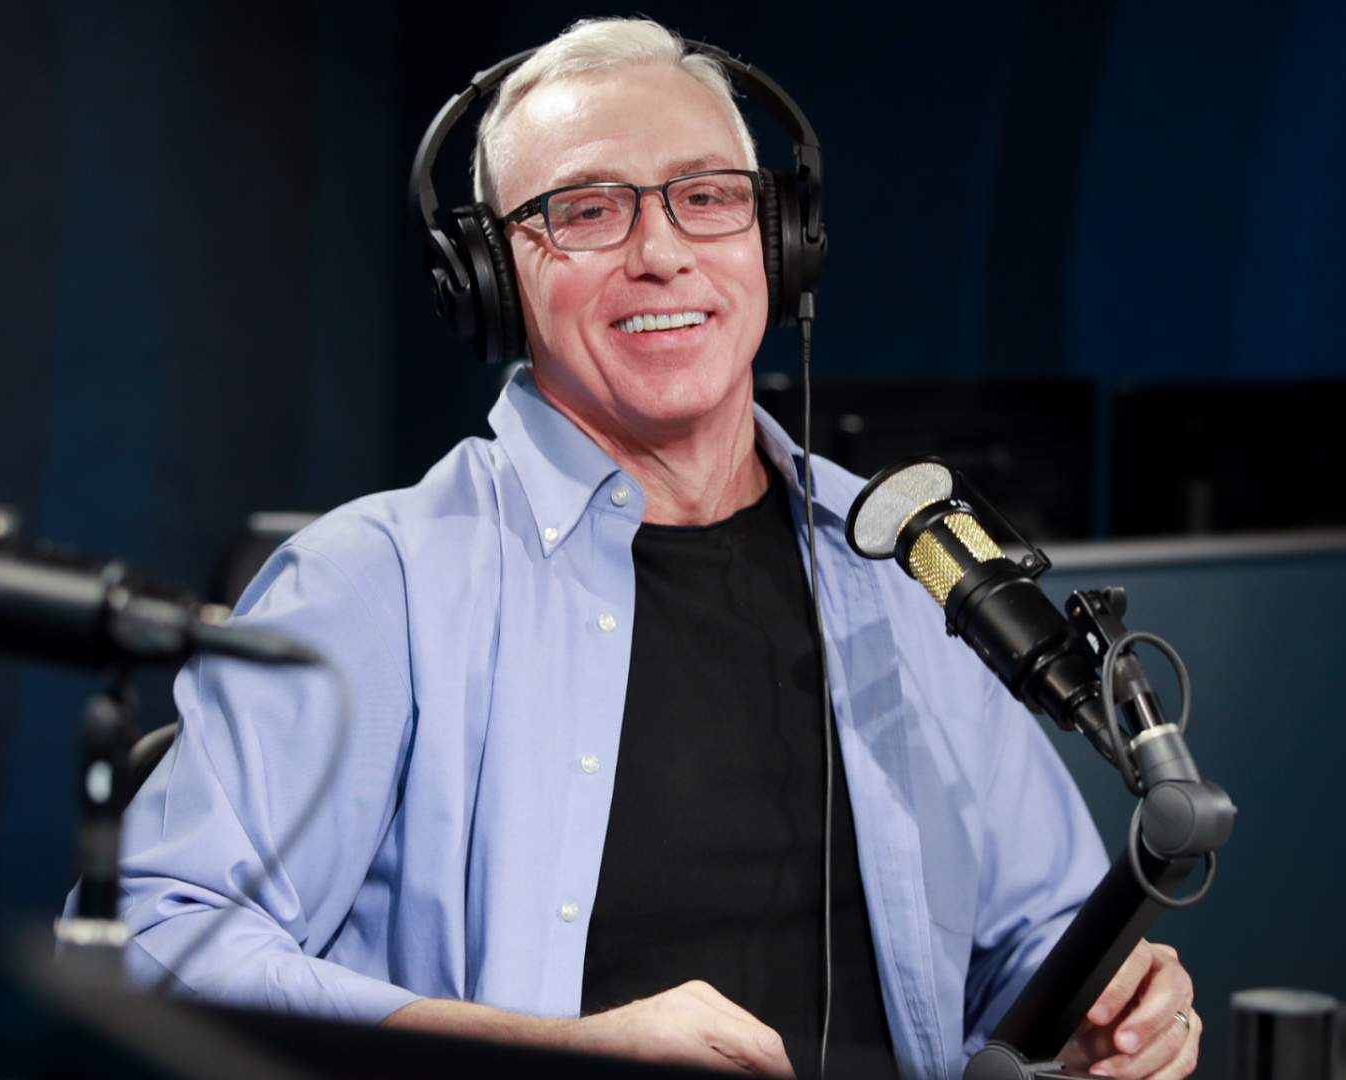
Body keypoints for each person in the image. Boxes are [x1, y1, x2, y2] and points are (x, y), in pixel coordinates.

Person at [109, 18, 1199, 1080]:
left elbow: (1033, 935)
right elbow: (155, 943)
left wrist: (1110, 1007)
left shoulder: (908, 561)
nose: (663, 253)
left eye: (708, 197)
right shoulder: (374, 582)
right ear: (491, 278)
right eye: (586, 211)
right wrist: (545, 1056)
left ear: (781, 240)